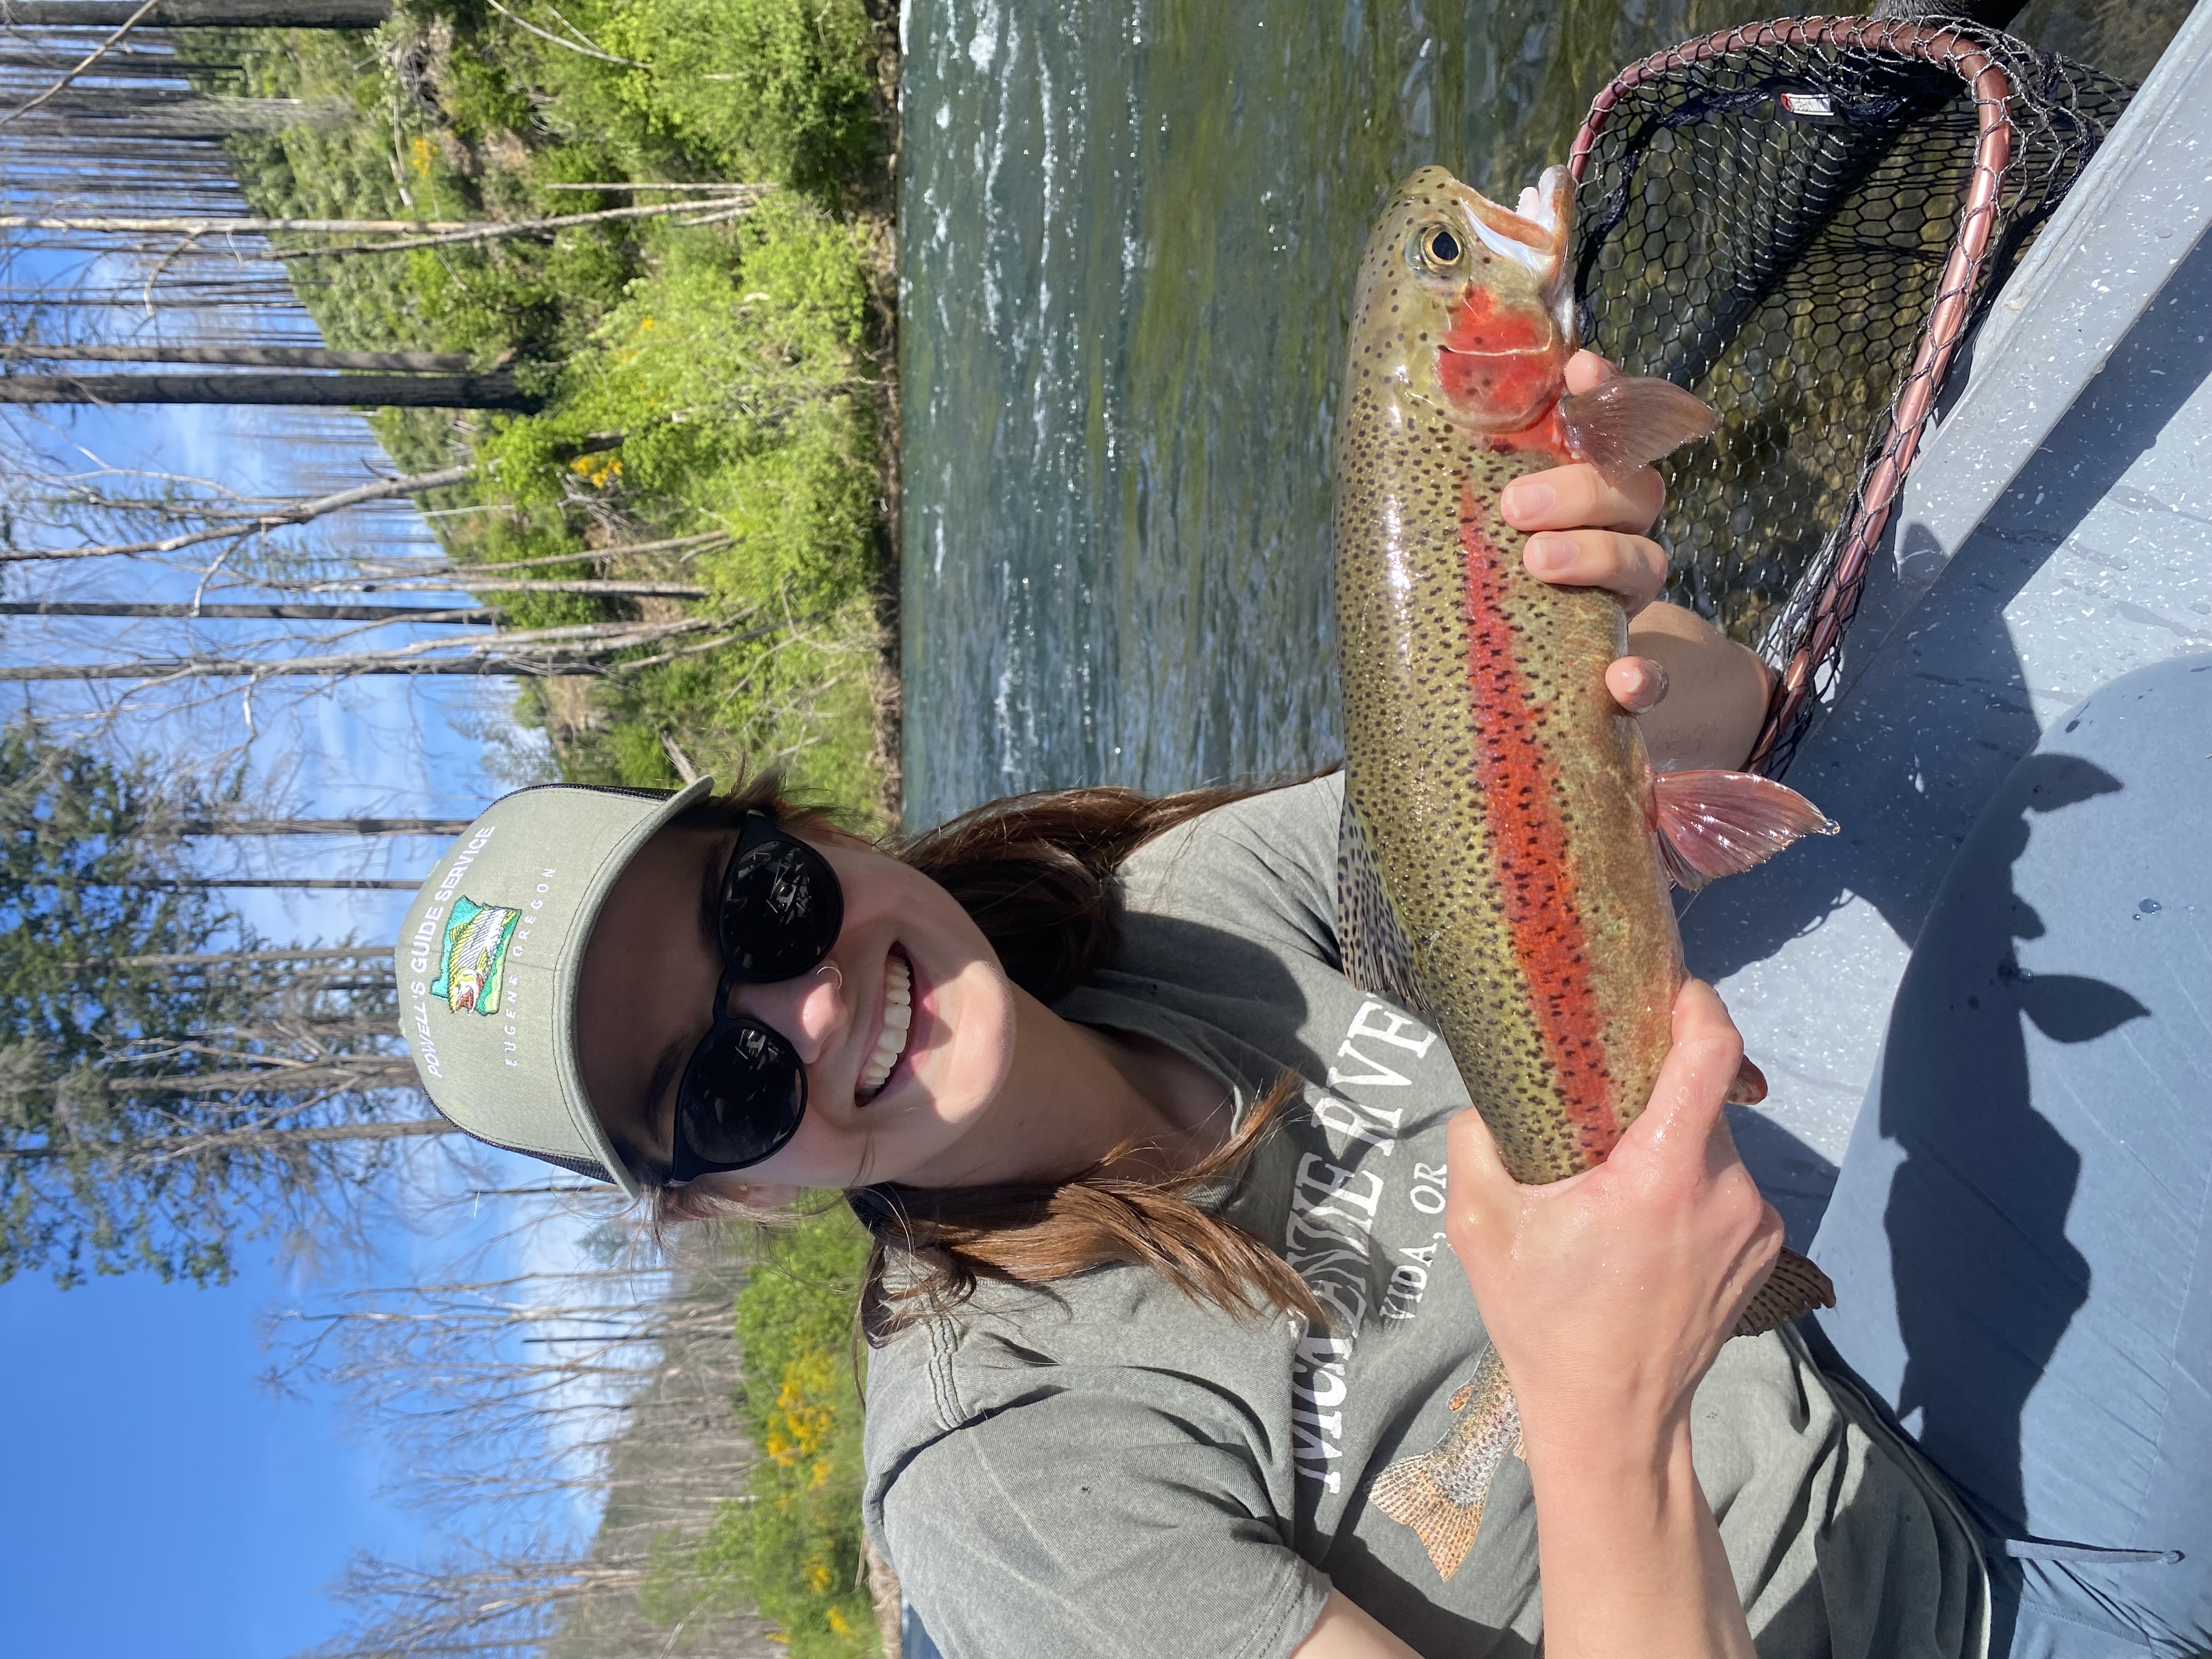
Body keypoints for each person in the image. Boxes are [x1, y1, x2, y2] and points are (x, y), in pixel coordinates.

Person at [395, 353, 2208, 1659]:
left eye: (759, 904)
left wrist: (1585, 642)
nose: (796, 1008)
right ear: (715, 1201)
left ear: (822, 834)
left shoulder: (1193, 920)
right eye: (714, 1087)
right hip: (1965, 1622)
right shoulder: (1011, 1483)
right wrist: (1601, 1411)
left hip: (1880, 1394)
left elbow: (1723, 723)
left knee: (2171, 759)